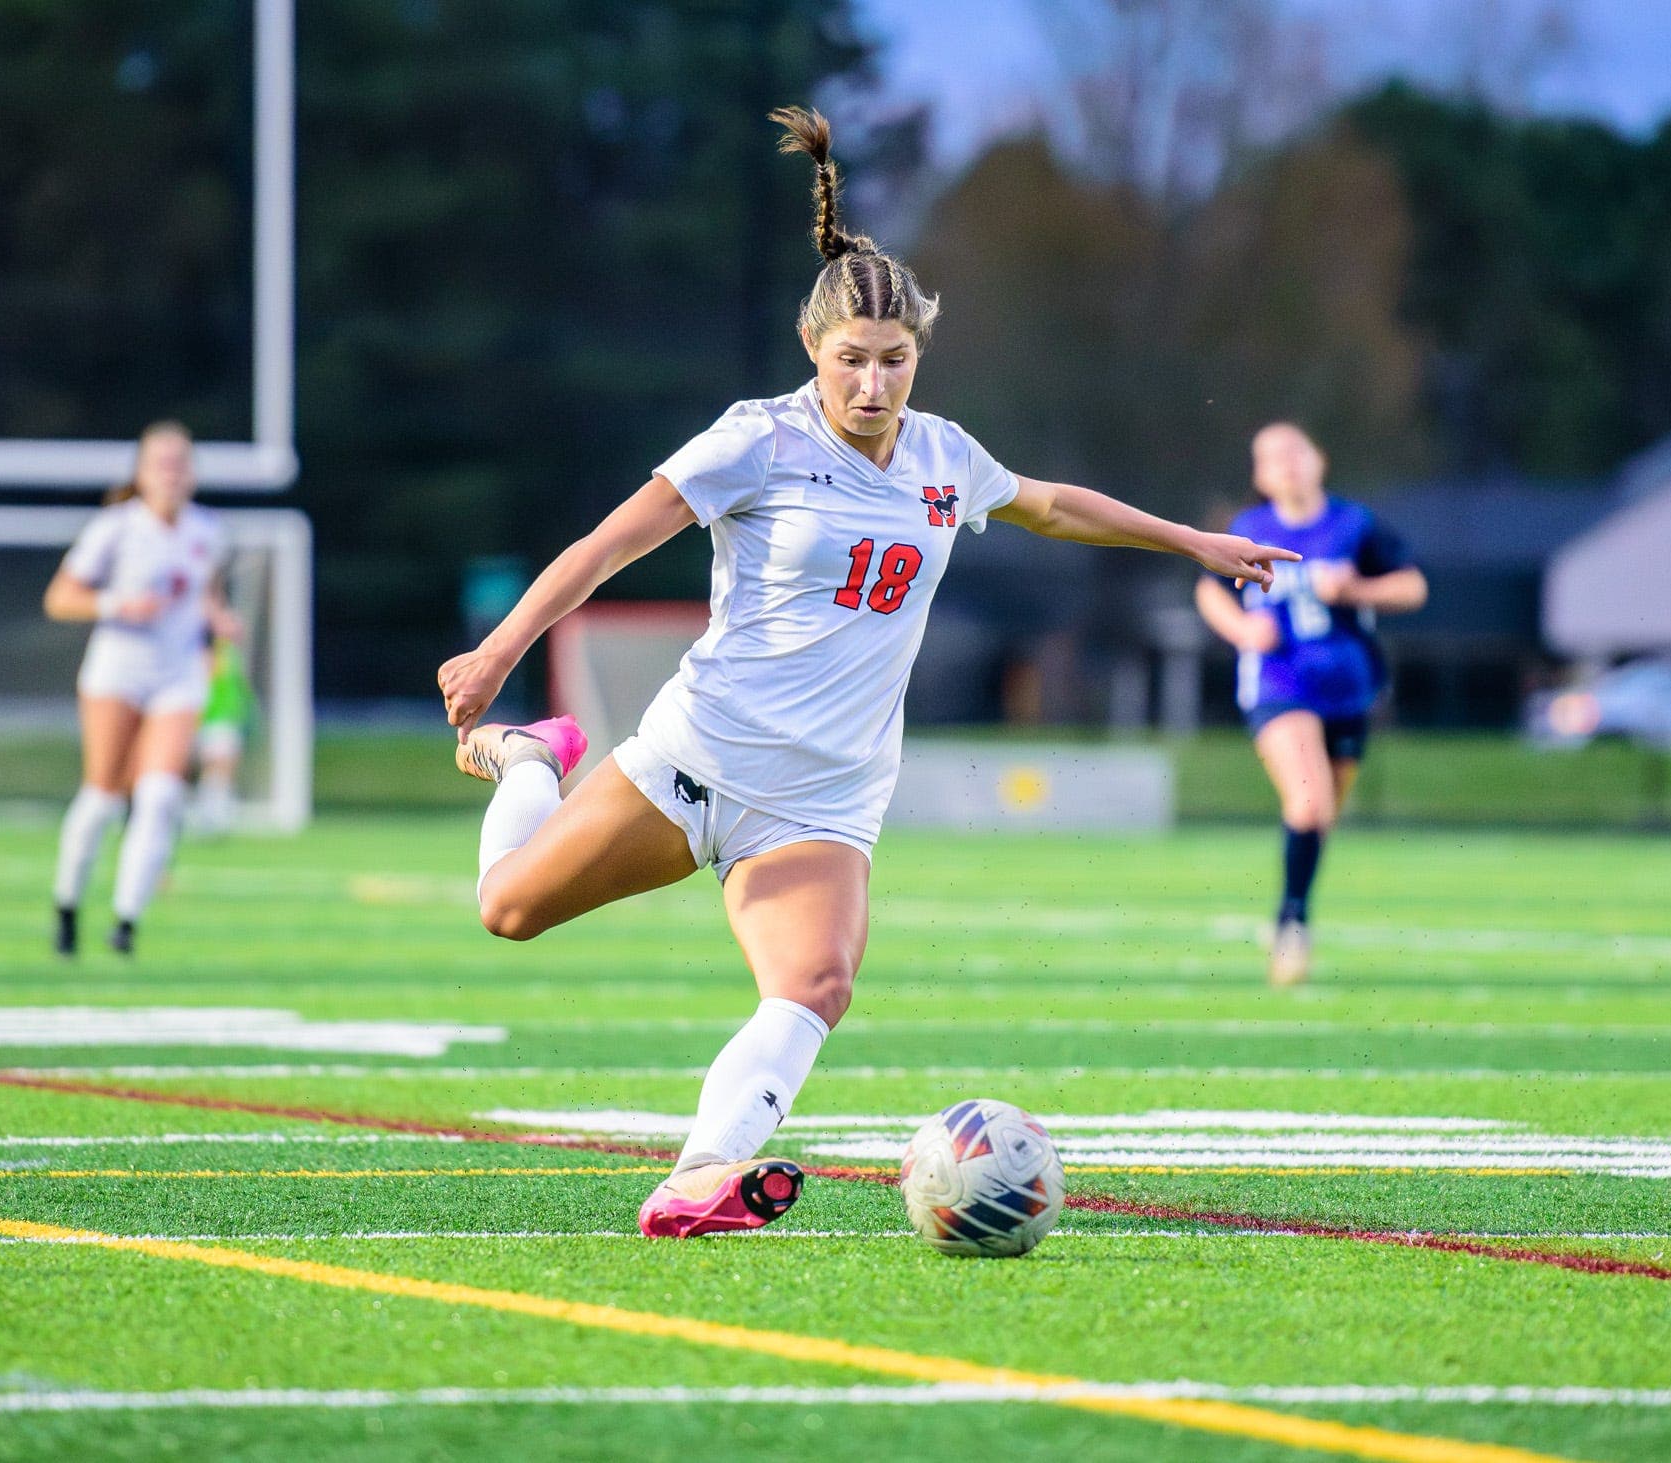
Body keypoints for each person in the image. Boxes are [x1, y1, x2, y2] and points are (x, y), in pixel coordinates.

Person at [434, 107, 1296, 1239]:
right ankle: (525, 762)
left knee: (814, 985)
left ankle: (698, 1174)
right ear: (813, 352)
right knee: (505, 910)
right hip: (698, 758)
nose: (873, 385)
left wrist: (1194, 541)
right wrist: (500, 653)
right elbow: (606, 545)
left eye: (894, 362)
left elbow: (1048, 505)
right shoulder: (755, 439)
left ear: (918, 357)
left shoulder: (944, 456)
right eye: (852, 361)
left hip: (822, 798)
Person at [1193, 423, 1426, 987]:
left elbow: (1413, 587)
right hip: (1280, 685)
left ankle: (1288, 913)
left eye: (1296, 451)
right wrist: (1243, 631)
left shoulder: (1354, 525)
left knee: (1320, 818)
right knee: (1310, 805)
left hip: (1349, 688)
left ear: (1319, 459)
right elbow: (1209, 591)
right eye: (1272, 457)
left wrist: (1357, 591)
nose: (1287, 464)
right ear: (1259, 475)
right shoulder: (1250, 528)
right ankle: (1292, 927)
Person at [43, 421, 235, 955]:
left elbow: (205, 598)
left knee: (160, 795)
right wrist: (113, 605)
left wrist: (219, 624)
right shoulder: (115, 528)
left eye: (181, 464)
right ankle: (68, 904)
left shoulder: (208, 532)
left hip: (176, 676)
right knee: (103, 795)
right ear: (142, 473)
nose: (172, 475)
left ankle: (126, 921)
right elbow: (60, 597)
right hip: (117, 672)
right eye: (161, 464)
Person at [191, 635, 254, 836]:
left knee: (222, 770)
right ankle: (210, 815)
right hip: (211, 718)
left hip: (228, 717)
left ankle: (215, 814)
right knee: (216, 768)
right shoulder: (205, 647)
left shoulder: (229, 649)